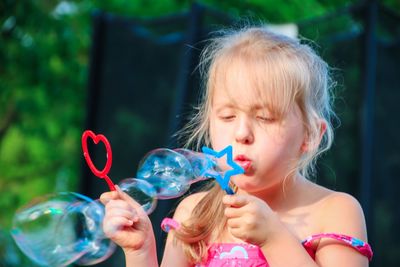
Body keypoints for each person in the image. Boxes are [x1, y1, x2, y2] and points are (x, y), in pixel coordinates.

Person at [100, 25, 373, 267]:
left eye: (264, 117)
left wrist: (274, 238)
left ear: (310, 135)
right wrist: (140, 251)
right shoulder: (194, 214)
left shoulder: (334, 211)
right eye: (227, 116)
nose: (242, 133)